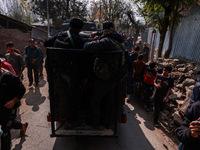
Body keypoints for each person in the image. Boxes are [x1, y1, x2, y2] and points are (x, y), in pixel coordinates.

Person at [84, 21, 124, 128]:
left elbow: (87, 47)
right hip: (114, 76)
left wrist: (91, 39)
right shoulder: (118, 41)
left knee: (95, 100)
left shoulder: (107, 41)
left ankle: (95, 122)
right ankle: (107, 123)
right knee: (109, 100)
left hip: (104, 77)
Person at [0, 59, 28, 150]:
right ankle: (21, 125)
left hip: (10, 107)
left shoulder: (9, 77)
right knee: (8, 123)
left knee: (5, 131)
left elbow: (22, 90)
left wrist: (13, 101)